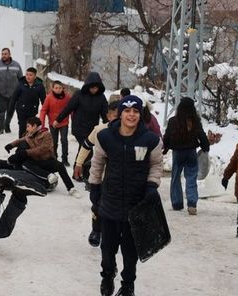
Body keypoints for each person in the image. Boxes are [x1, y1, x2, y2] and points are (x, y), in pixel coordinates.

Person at [89, 95, 163, 296]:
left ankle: (128, 285)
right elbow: (97, 163)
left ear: (140, 114)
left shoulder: (150, 140)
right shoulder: (106, 137)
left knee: (131, 252)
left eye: (136, 111)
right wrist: (94, 187)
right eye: (127, 111)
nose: (131, 115)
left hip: (136, 206)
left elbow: (156, 165)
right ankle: (107, 276)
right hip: (110, 203)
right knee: (107, 248)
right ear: (120, 113)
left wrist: (151, 186)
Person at [75, 101, 120, 247]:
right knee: (97, 204)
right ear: (108, 115)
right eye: (115, 116)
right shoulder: (100, 129)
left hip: (119, 178)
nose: (118, 119)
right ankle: (96, 231)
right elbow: (86, 146)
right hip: (100, 176)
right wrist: (79, 163)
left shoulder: (130, 132)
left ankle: (115, 234)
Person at [56, 71, 109, 180]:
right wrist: (58, 120)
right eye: (91, 87)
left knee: (83, 149)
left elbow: (105, 114)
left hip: (91, 129)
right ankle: (85, 175)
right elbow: (68, 108)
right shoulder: (79, 94)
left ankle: (77, 173)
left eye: (96, 88)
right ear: (87, 86)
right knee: (87, 150)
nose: (94, 90)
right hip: (79, 127)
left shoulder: (101, 98)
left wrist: (109, 125)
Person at [162, 97, 210, 215]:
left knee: (175, 177)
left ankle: (177, 203)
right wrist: (205, 147)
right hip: (191, 152)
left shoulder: (173, 121)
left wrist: (166, 147)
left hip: (177, 153)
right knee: (191, 177)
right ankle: (192, 203)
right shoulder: (195, 121)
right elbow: (202, 136)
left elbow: (167, 136)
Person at [0, 48, 23, 135]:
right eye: (2, 54)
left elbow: (21, 78)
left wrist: (20, 90)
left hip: (13, 93)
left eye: (5, 54)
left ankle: (7, 125)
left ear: (9, 54)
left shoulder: (16, 65)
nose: (4, 55)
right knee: (1, 110)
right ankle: (0, 128)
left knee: (11, 110)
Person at [6, 67, 47, 135]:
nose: (28, 77)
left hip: (32, 111)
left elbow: (44, 100)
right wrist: (10, 109)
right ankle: (21, 145)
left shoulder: (39, 86)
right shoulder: (20, 84)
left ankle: (29, 144)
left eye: (30, 75)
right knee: (22, 128)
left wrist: (45, 111)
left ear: (35, 76)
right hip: (21, 110)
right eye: (27, 74)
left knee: (31, 129)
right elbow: (14, 98)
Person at [39, 80, 72, 165]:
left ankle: (65, 159)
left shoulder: (67, 97)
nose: (58, 89)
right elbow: (44, 110)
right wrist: (41, 124)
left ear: (62, 88)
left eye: (60, 88)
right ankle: (54, 157)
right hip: (53, 123)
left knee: (64, 140)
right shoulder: (49, 97)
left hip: (64, 122)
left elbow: (71, 109)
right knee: (54, 141)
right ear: (52, 88)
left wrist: (74, 120)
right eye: (56, 88)